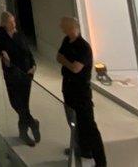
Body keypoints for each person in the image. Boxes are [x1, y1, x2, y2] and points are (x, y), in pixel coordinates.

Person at [57, 16, 106, 167]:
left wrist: (65, 61)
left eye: (64, 26)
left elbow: (76, 68)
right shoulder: (66, 40)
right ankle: (82, 149)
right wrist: (67, 61)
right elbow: (58, 57)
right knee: (73, 121)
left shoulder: (83, 47)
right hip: (68, 88)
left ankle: (101, 161)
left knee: (88, 125)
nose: (61, 28)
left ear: (72, 27)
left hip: (81, 92)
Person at [0, 12, 40, 146]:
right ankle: (33, 123)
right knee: (15, 103)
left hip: (26, 73)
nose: (13, 24)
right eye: (10, 22)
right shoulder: (0, 33)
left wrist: (34, 66)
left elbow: (28, 52)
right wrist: (1, 52)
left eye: (14, 21)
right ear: (4, 23)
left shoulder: (19, 35)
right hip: (11, 74)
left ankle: (24, 133)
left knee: (23, 105)